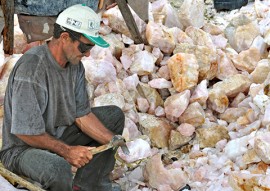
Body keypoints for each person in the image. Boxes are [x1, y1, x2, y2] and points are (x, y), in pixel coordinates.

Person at [0, 4, 125, 191]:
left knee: (113, 117)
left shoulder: (75, 67)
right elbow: (24, 131)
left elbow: (81, 115)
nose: (88, 53)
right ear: (65, 38)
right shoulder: (32, 68)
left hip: (57, 134)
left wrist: (111, 140)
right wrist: (67, 151)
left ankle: (88, 186)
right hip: (23, 148)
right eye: (85, 46)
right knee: (58, 168)